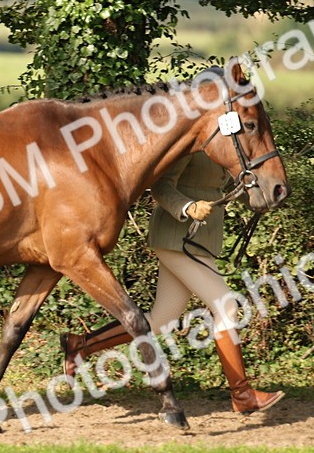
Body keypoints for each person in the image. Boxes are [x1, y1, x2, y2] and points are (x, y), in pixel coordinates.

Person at [60, 151, 284, 414]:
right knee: (227, 307)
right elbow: (161, 187)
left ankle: (81, 345)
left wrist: (263, 196)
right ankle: (242, 394)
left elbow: (229, 187)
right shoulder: (191, 144)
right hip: (177, 236)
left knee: (162, 319)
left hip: (200, 241)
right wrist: (187, 207)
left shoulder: (225, 146)